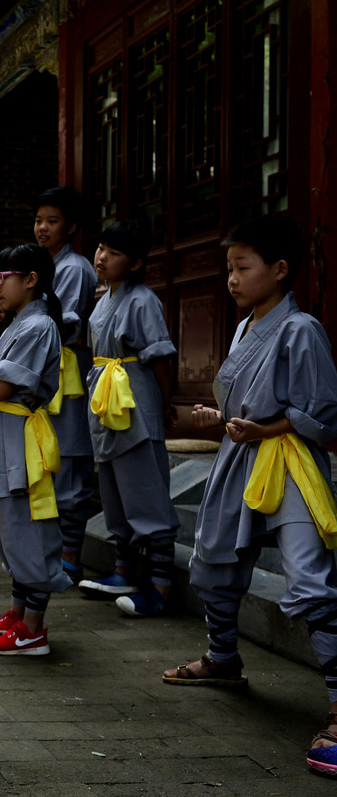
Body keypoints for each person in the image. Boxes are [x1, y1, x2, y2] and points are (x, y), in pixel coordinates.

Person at [157, 216, 337, 778]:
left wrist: (266, 430)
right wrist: (226, 421)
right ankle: (224, 657)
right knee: (214, 558)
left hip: (289, 465)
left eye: (242, 267)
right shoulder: (244, 328)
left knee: (309, 579)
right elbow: (248, 405)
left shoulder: (301, 329)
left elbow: (322, 415)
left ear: (279, 270)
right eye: (229, 268)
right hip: (241, 459)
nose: (231, 279)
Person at [0, 244, 72, 656]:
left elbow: (0, 385)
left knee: (26, 527)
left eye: (4, 276)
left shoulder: (38, 326)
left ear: (31, 280)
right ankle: (18, 611)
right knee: (8, 528)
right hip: (2, 434)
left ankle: (33, 629)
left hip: (20, 438)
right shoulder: (15, 323)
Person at [77, 220, 180, 617]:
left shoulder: (142, 300)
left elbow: (159, 357)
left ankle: (162, 587)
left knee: (145, 493)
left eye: (113, 252)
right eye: (101, 248)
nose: (102, 257)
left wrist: (166, 403)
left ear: (135, 263)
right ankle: (123, 570)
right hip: (106, 403)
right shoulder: (103, 301)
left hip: (136, 403)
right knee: (116, 491)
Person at [34, 187, 99, 582]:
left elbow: (64, 322)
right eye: (39, 220)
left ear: (71, 227)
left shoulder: (73, 268)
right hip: (52, 369)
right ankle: (57, 551)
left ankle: (71, 554)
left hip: (68, 372)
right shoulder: (46, 264)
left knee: (71, 461)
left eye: (51, 221)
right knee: (54, 459)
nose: (42, 228)